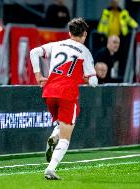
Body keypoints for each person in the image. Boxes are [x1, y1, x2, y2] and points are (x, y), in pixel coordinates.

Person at [30, 17, 98, 180]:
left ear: (69, 33)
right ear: (85, 34)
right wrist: (87, 77)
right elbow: (94, 82)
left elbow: (34, 52)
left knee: (63, 122)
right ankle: (51, 168)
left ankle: (55, 135)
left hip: (49, 92)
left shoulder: (57, 45)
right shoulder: (84, 52)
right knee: (67, 135)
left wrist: (38, 75)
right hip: (67, 93)